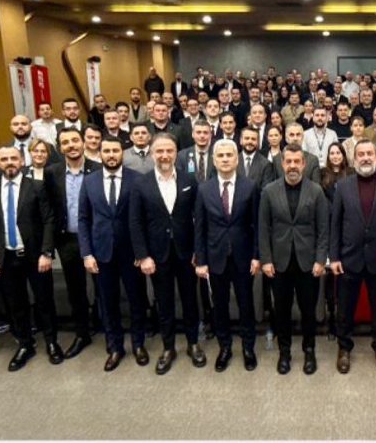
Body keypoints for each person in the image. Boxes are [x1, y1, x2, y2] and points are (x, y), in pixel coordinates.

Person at [130, 132, 207, 374]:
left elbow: (199, 218)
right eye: (160, 151)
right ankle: (168, 347)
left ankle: (193, 344)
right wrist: (143, 255)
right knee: (164, 303)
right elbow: (135, 222)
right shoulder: (140, 183)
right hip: (157, 255)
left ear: (176, 153)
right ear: (152, 153)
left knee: (190, 301)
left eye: (169, 150)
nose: (164, 155)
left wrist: (198, 251)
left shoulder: (189, 179)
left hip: (186, 253)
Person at [0, 146, 59, 372]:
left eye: (14, 158)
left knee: (44, 300)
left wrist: (46, 252)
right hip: (5, 257)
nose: (9, 162)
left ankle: (52, 342)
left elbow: (49, 220)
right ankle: (25, 344)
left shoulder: (37, 186)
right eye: (4, 159)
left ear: (22, 161)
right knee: (16, 304)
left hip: (35, 256)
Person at [329, 139, 376, 374]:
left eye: (370, 153)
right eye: (361, 154)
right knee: (345, 310)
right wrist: (334, 257)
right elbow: (335, 224)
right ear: (354, 158)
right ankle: (344, 348)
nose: (366, 158)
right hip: (349, 258)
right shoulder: (343, 186)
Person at [77, 136, 146, 372]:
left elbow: (142, 218)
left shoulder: (137, 179)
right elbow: (83, 219)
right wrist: (87, 253)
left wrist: (142, 251)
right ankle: (115, 347)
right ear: (100, 153)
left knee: (137, 300)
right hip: (101, 252)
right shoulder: (90, 181)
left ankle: (138, 344)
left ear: (122, 153)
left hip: (131, 253)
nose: (111, 155)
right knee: (108, 302)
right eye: (106, 151)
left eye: (115, 151)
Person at [259, 144, 330, 375]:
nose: (292, 166)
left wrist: (320, 260)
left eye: (296, 161)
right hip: (279, 263)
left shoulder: (316, 191)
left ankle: (309, 351)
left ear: (304, 164)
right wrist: (266, 260)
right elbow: (263, 228)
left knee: (308, 311)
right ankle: (284, 352)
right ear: (282, 164)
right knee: (281, 311)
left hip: (308, 263)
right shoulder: (269, 191)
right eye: (288, 161)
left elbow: (323, 229)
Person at [195, 139, 261, 372]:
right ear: (214, 160)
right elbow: (200, 228)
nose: (225, 159)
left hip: (243, 257)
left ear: (236, 159)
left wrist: (256, 256)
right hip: (215, 258)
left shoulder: (250, 187)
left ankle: (248, 348)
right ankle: (225, 347)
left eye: (229, 155)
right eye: (220, 156)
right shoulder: (204, 189)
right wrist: (201, 260)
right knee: (220, 306)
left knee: (246, 305)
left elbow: (257, 225)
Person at [42, 128, 99, 360]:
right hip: (67, 239)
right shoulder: (51, 173)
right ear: (60, 147)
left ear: (83, 142)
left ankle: (108, 328)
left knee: (103, 287)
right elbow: (49, 209)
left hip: (96, 237)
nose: (71, 145)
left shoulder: (98, 169)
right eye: (65, 142)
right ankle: (82, 333)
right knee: (75, 291)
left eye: (75, 140)